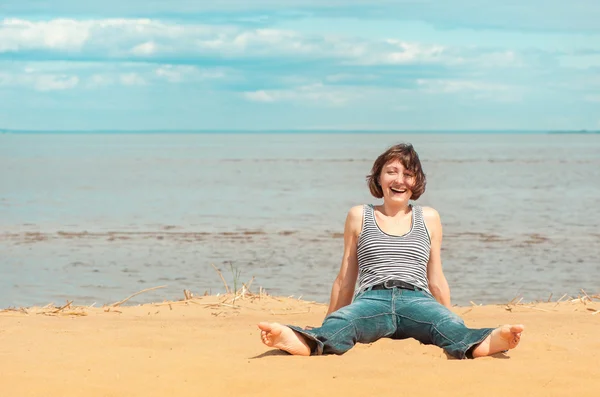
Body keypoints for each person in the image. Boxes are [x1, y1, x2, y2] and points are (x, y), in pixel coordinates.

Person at [258, 143, 524, 359]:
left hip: (418, 300)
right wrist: (327, 321)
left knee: (446, 327)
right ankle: (302, 342)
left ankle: (488, 342)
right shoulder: (358, 215)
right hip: (372, 300)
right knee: (344, 325)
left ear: (416, 182)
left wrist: (451, 316)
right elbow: (345, 278)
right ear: (378, 177)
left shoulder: (429, 217)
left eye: (408, 175)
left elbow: (436, 277)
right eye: (392, 172)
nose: (400, 180)